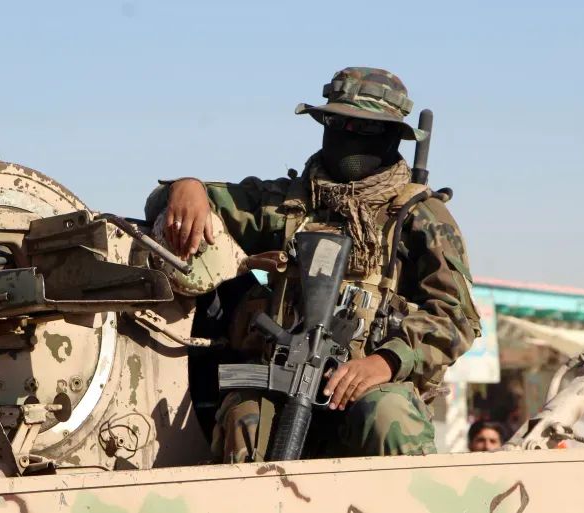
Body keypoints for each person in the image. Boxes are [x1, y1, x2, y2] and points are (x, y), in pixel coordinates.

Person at [145, 67, 481, 462]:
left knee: (390, 416)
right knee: (244, 415)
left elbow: (456, 316)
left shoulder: (420, 216)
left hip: (369, 391)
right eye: (338, 123)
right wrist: (187, 187)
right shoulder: (286, 204)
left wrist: (387, 360)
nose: (349, 135)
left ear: (392, 135)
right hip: (283, 381)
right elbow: (168, 204)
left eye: (365, 128)